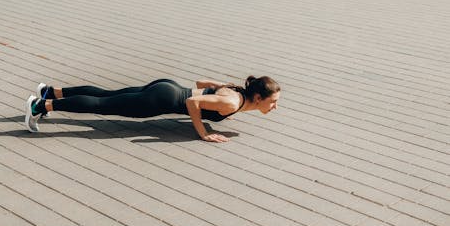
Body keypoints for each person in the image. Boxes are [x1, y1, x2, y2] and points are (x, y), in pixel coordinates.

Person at [25, 76, 281, 143]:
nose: (275, 106)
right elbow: (193, 103)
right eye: (272, 101)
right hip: (159, 101)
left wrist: (217, 87)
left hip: (166, 86)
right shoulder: (232, 103)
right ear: (257, 97)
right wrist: (202, 132)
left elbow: (200, 85)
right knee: (103, 105)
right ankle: (41, 105)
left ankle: (50, 91)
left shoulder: (234, 91)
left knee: (106, 94)